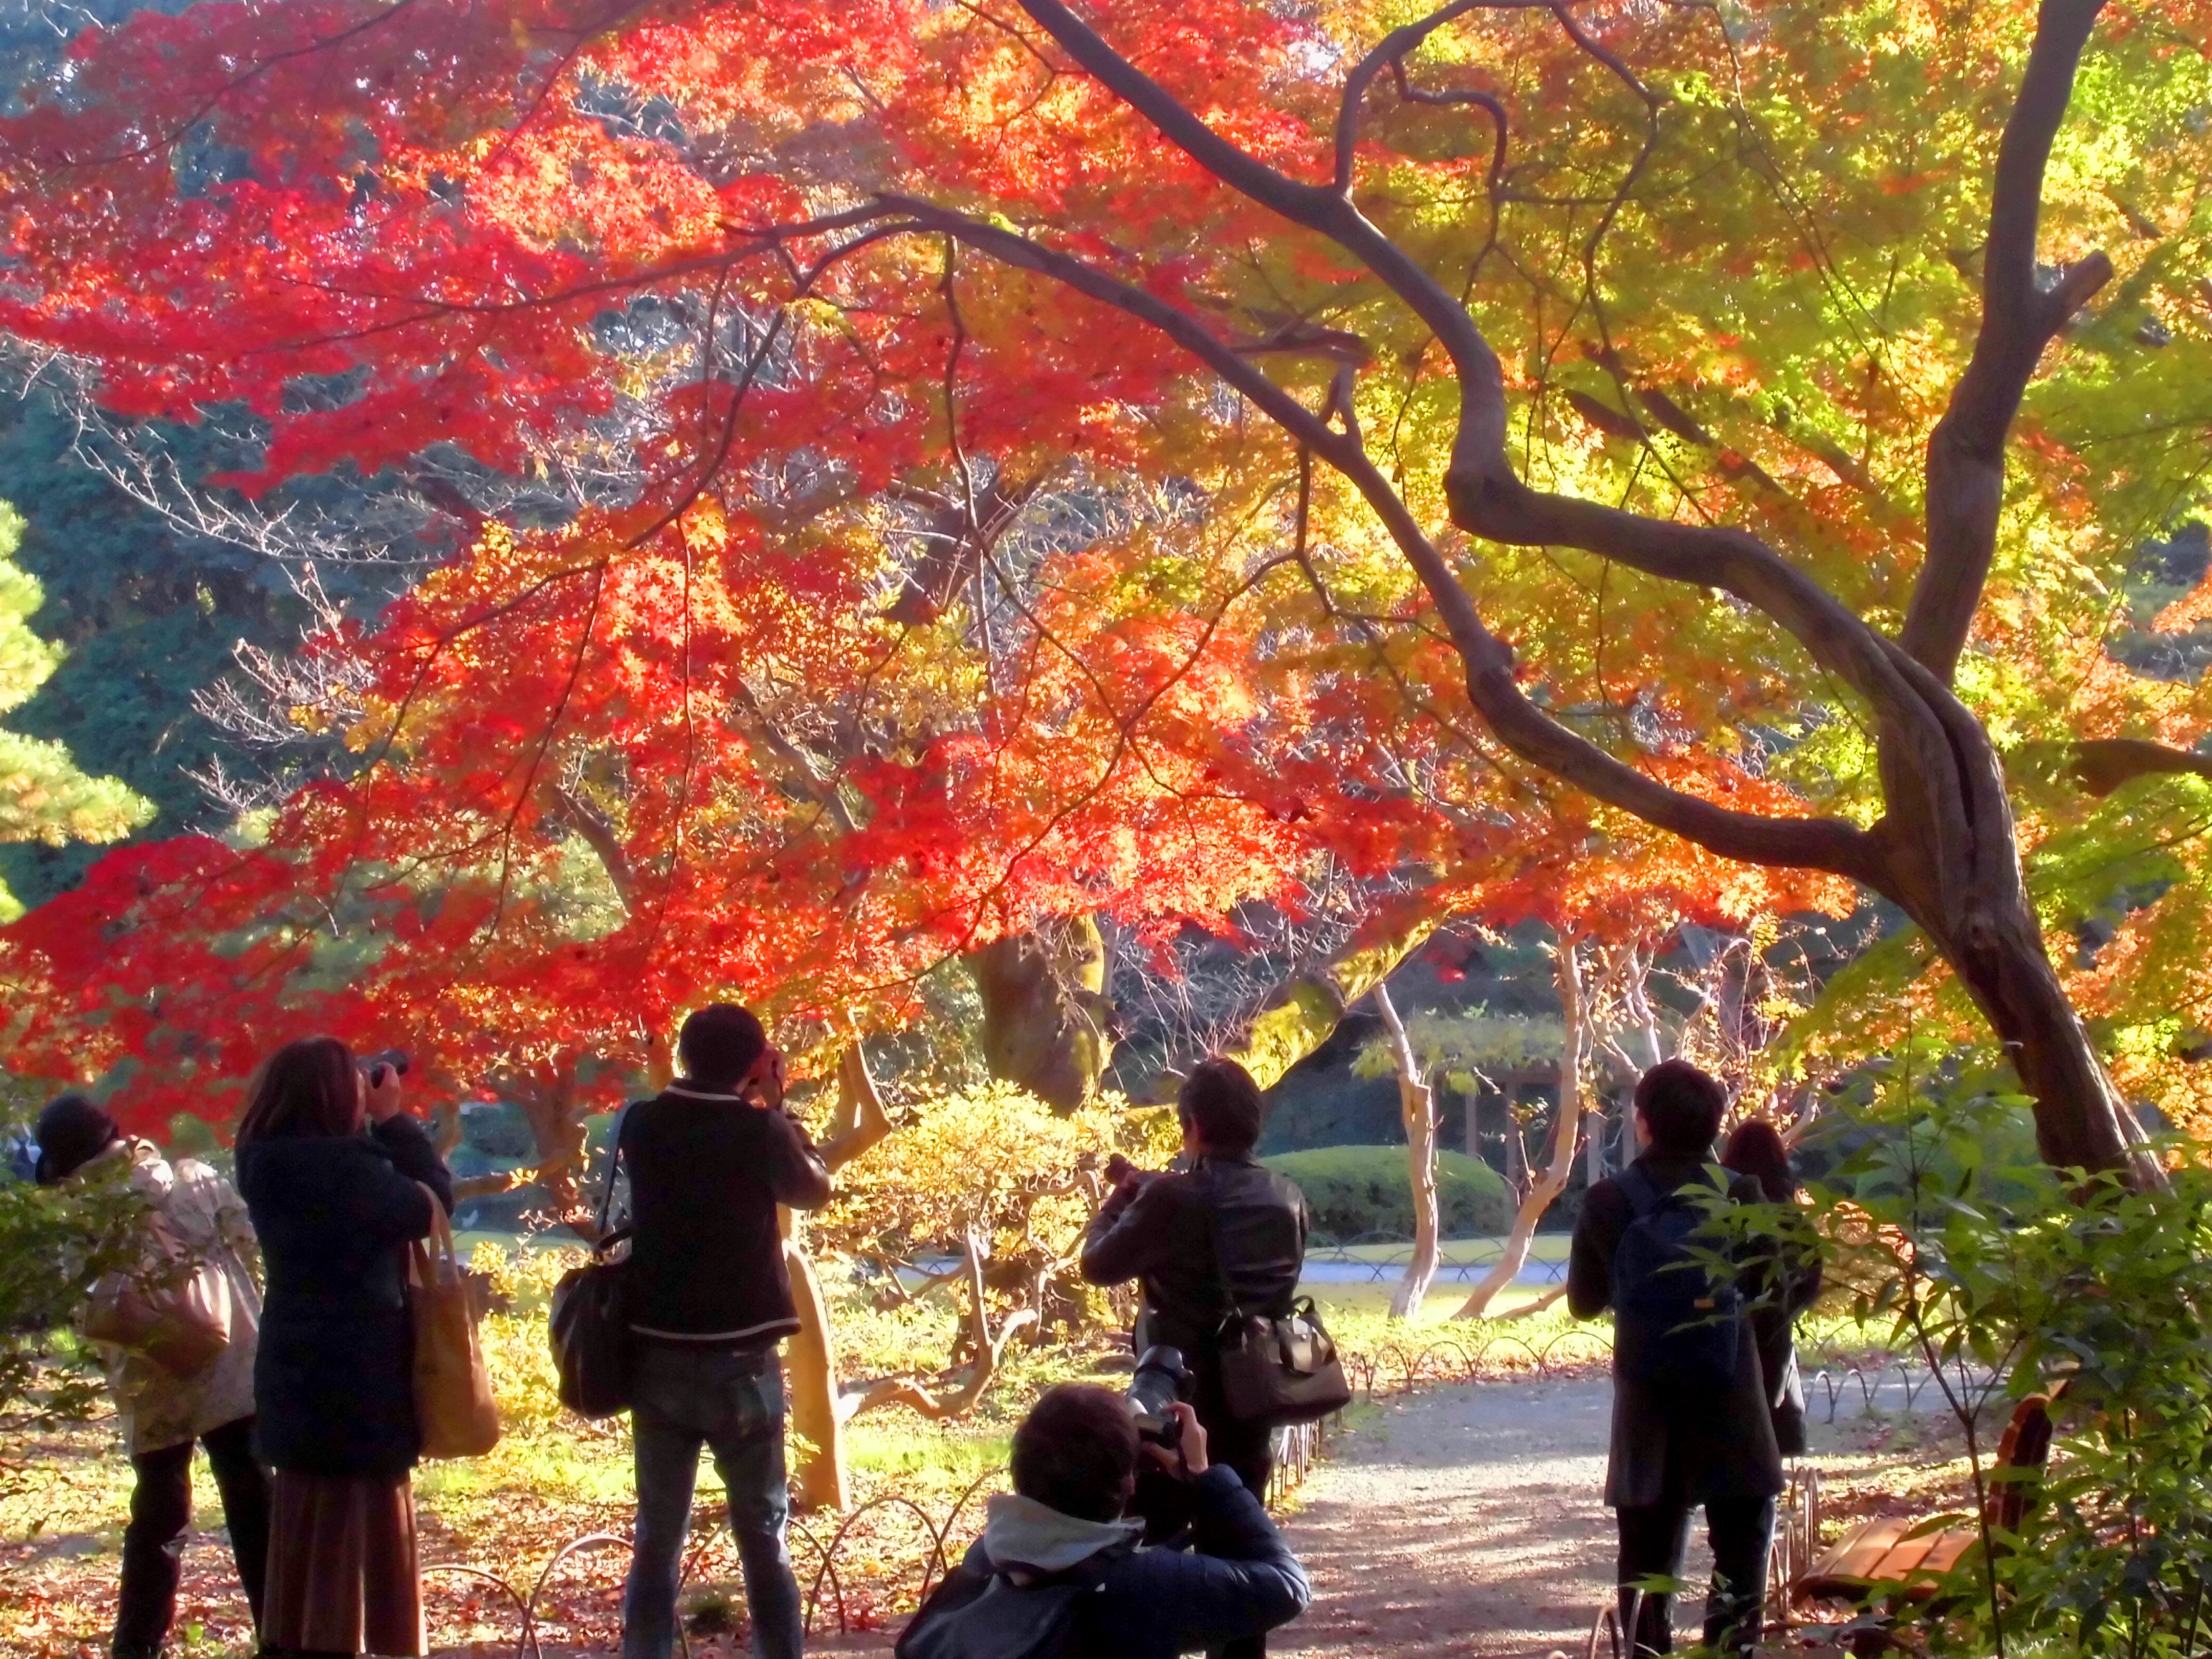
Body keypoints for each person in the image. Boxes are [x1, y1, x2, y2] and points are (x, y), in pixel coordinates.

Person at [615, 1003, 833, 1659]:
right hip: (741, 1353)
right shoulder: (758, 1129)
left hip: (656, 1349)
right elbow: (813, 1189)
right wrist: (778, 1104)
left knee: (658, 1531)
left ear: (683, 1054)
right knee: (762, 1529)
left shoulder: (642, 1124)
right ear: (753, 1059)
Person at [236, 1038, 454, 1659]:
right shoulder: (346, 1168)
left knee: (308, 1528)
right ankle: (352, 1642)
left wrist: (372, 1128)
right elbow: (432, 1202)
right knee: (359, 1535)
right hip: (359, 1376)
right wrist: (394, 1119)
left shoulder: (262, 1158)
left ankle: (298, 1637)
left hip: (294, 1368)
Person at [1080, 1055, 1306, 1654]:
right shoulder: (1286, 1196)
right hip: (1256, 1393)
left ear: (1195, 1125)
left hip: (1174, 1400)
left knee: (1154, 1555)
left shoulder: (1172, 1198)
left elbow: (1096, 1264)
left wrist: (1120, 1201)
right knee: (1241, 1554)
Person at [36, 1094, 269, 1659]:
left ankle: (137, 1644)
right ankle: (283, 1630)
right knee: (254, 1499)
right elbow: (250, 1247)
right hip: (230, 1362)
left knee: (159, 1513)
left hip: (150, 1374)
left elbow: (80, 1306)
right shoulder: (193, 1178)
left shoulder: (79, 1214)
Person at [1569, 1059, 1783, 1658]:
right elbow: (1774, 1296)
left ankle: (1648, 1652)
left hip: (1648, 1408)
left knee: (1645, 1565)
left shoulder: (1610, 1199)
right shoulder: (1741, 1193)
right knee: (1740, 1559)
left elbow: (1583, 1303)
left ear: (1643, 1123)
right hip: (1732, 1401)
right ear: (1715, 1124)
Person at [896, 1383, 1310, 1658]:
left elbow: (1079, 1564)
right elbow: (1287, 1586)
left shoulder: (988, 1557)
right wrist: (1206, 1479)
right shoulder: (1149, 1589)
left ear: (1023, 1472)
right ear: (1130, 1484)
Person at [1721, 1119, 1825, 1458]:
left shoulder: (1722, 1216)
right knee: (1766, 1457)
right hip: (1776, 1343)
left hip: (1724, 1347)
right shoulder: (1794, 1222)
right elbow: (1811, 1283)